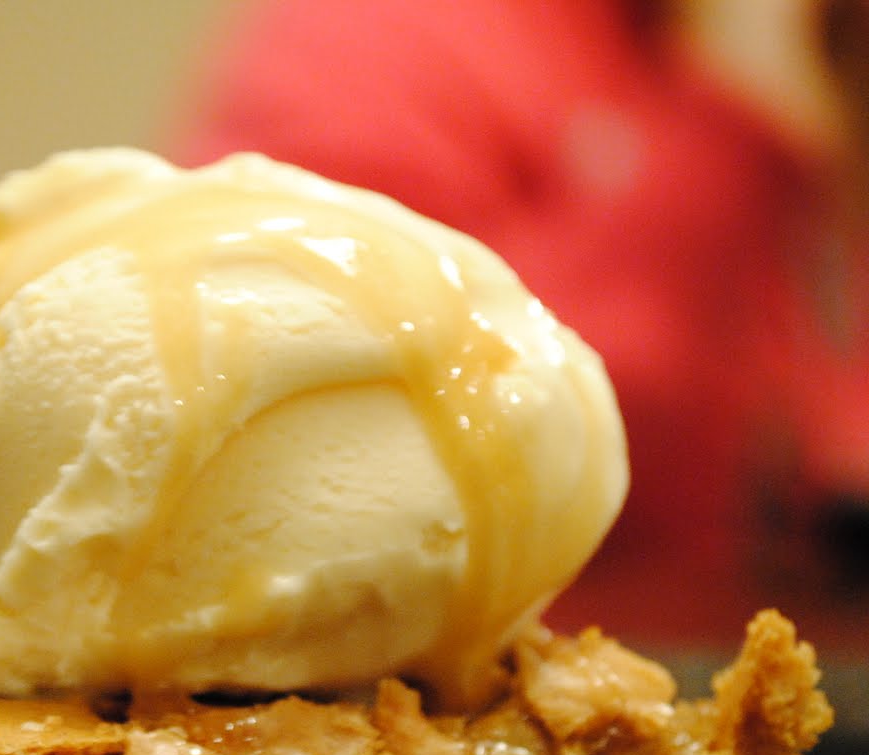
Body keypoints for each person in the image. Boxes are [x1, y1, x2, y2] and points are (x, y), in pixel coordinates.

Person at [172, 0, 869, 651]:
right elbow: (298, 437)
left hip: (715, 675)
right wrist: (723, 116)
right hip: (411, 672)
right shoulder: (387, 34)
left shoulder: (780, 82)